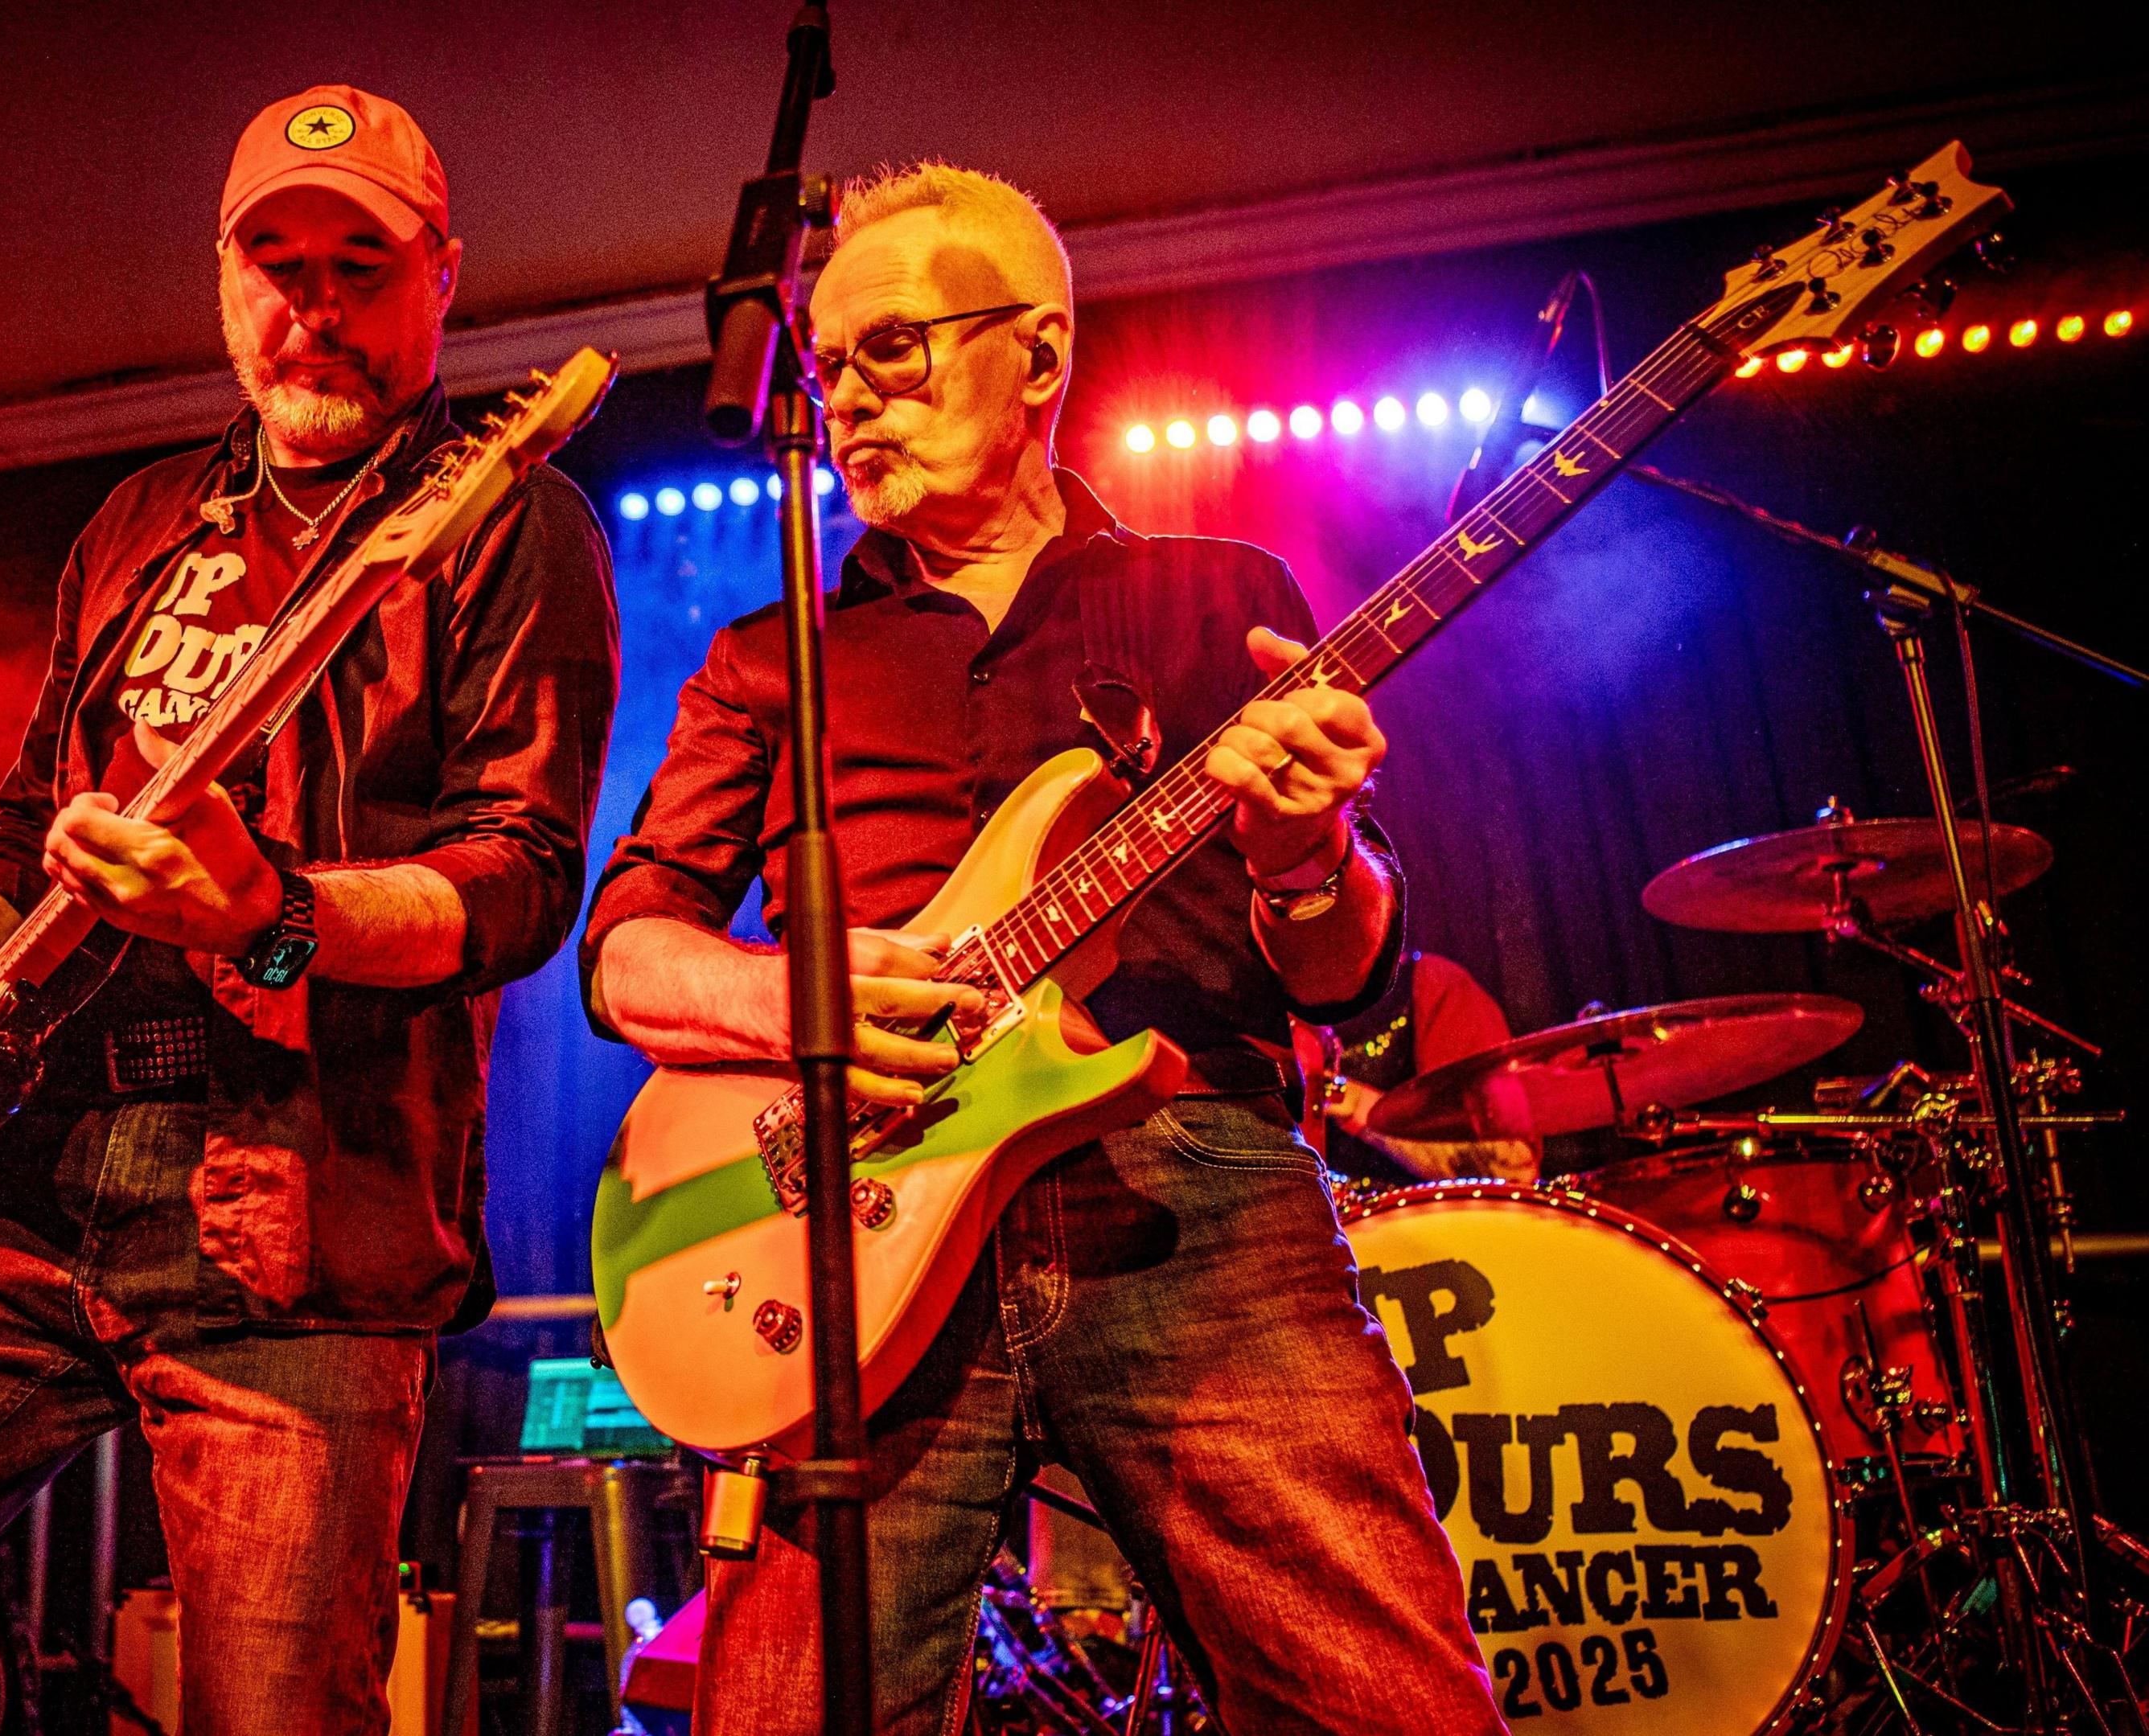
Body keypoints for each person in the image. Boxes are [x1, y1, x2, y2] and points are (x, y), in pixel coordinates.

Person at [0, 85, 618, 1736]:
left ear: (443, 277)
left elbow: (518, 880)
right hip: (8, 1173)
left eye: (359, 267)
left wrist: (271, 910)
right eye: (274, 263)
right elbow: (32, 819)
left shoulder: (504, 520)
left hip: (292, 1208)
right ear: (223, 280)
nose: (312, 307)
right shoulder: (141, 524)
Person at [581, 164, 1500, 1734]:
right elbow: (625, 951)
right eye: (827, 365)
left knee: (1383, 1698)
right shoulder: (772, 650)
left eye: (895, 350)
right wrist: (788, 991)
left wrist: (1302, 850)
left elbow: (1349, 980)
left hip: (1189, 1179)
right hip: (858, 1226)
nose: (851, 400)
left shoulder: (1220, 597)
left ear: (1043, 359)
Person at [1300, 947, 1544, 1183]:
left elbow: (1512, 1167)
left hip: (1425, 1219)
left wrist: (1355, 1105)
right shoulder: (1277, 1020)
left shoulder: (1432, 984)